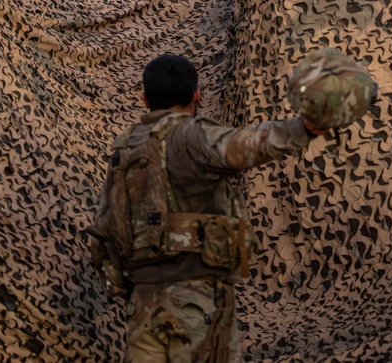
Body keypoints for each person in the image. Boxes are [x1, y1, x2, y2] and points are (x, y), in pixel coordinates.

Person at [100, 54, 330, 362]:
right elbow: (251, 144)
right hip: (198, 303)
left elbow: (104, 227)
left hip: (143, 303)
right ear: (197, 94)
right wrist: (305, 128)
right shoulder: (194, 137)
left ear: (144, 99)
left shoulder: (124, 148)